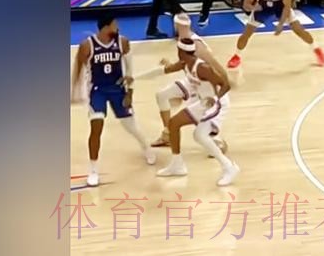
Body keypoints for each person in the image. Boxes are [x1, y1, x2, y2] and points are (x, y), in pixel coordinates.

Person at [70, 15, 156, 187]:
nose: (118, 27)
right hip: (97, 91)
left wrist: (130, 92)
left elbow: (130, 71)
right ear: (106, 27)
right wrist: (75, 91)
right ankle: (93, 170)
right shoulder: (87, 45)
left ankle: (146, 147)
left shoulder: (123, 42)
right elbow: (78, 67)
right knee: (96, 127)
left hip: (118, 89)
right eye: (115, 25)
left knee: (132, 126)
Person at [155, 38, 240, 187]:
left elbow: (225, 85)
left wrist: (215, 99)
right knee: (173, 124)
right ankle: (177, 165)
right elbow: (167, 69)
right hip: (203, 102)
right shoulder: (185, 64)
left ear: (181, 52)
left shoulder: (202, 68)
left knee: (199, 135)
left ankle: (229, 167)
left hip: (217, 102)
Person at [149, 13, 230, 157]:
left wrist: (225, 80)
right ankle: (168, 134)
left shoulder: (196, 44)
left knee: (199, 126)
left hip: (205, 86)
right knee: (162, 95)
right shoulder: (183, 40)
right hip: (193, 80)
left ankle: (217, 142)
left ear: (176, 25)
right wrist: (169, 65)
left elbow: (213, 64)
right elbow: (183, 64)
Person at [226, 0, 324, 69]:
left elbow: (287, 6)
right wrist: (253, 7)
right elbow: (246, 4)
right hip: (263, 8)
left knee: (299, 30)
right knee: (246, 34)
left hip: (280, 8)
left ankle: (317, 50)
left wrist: (281, 24)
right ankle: (236, 56)